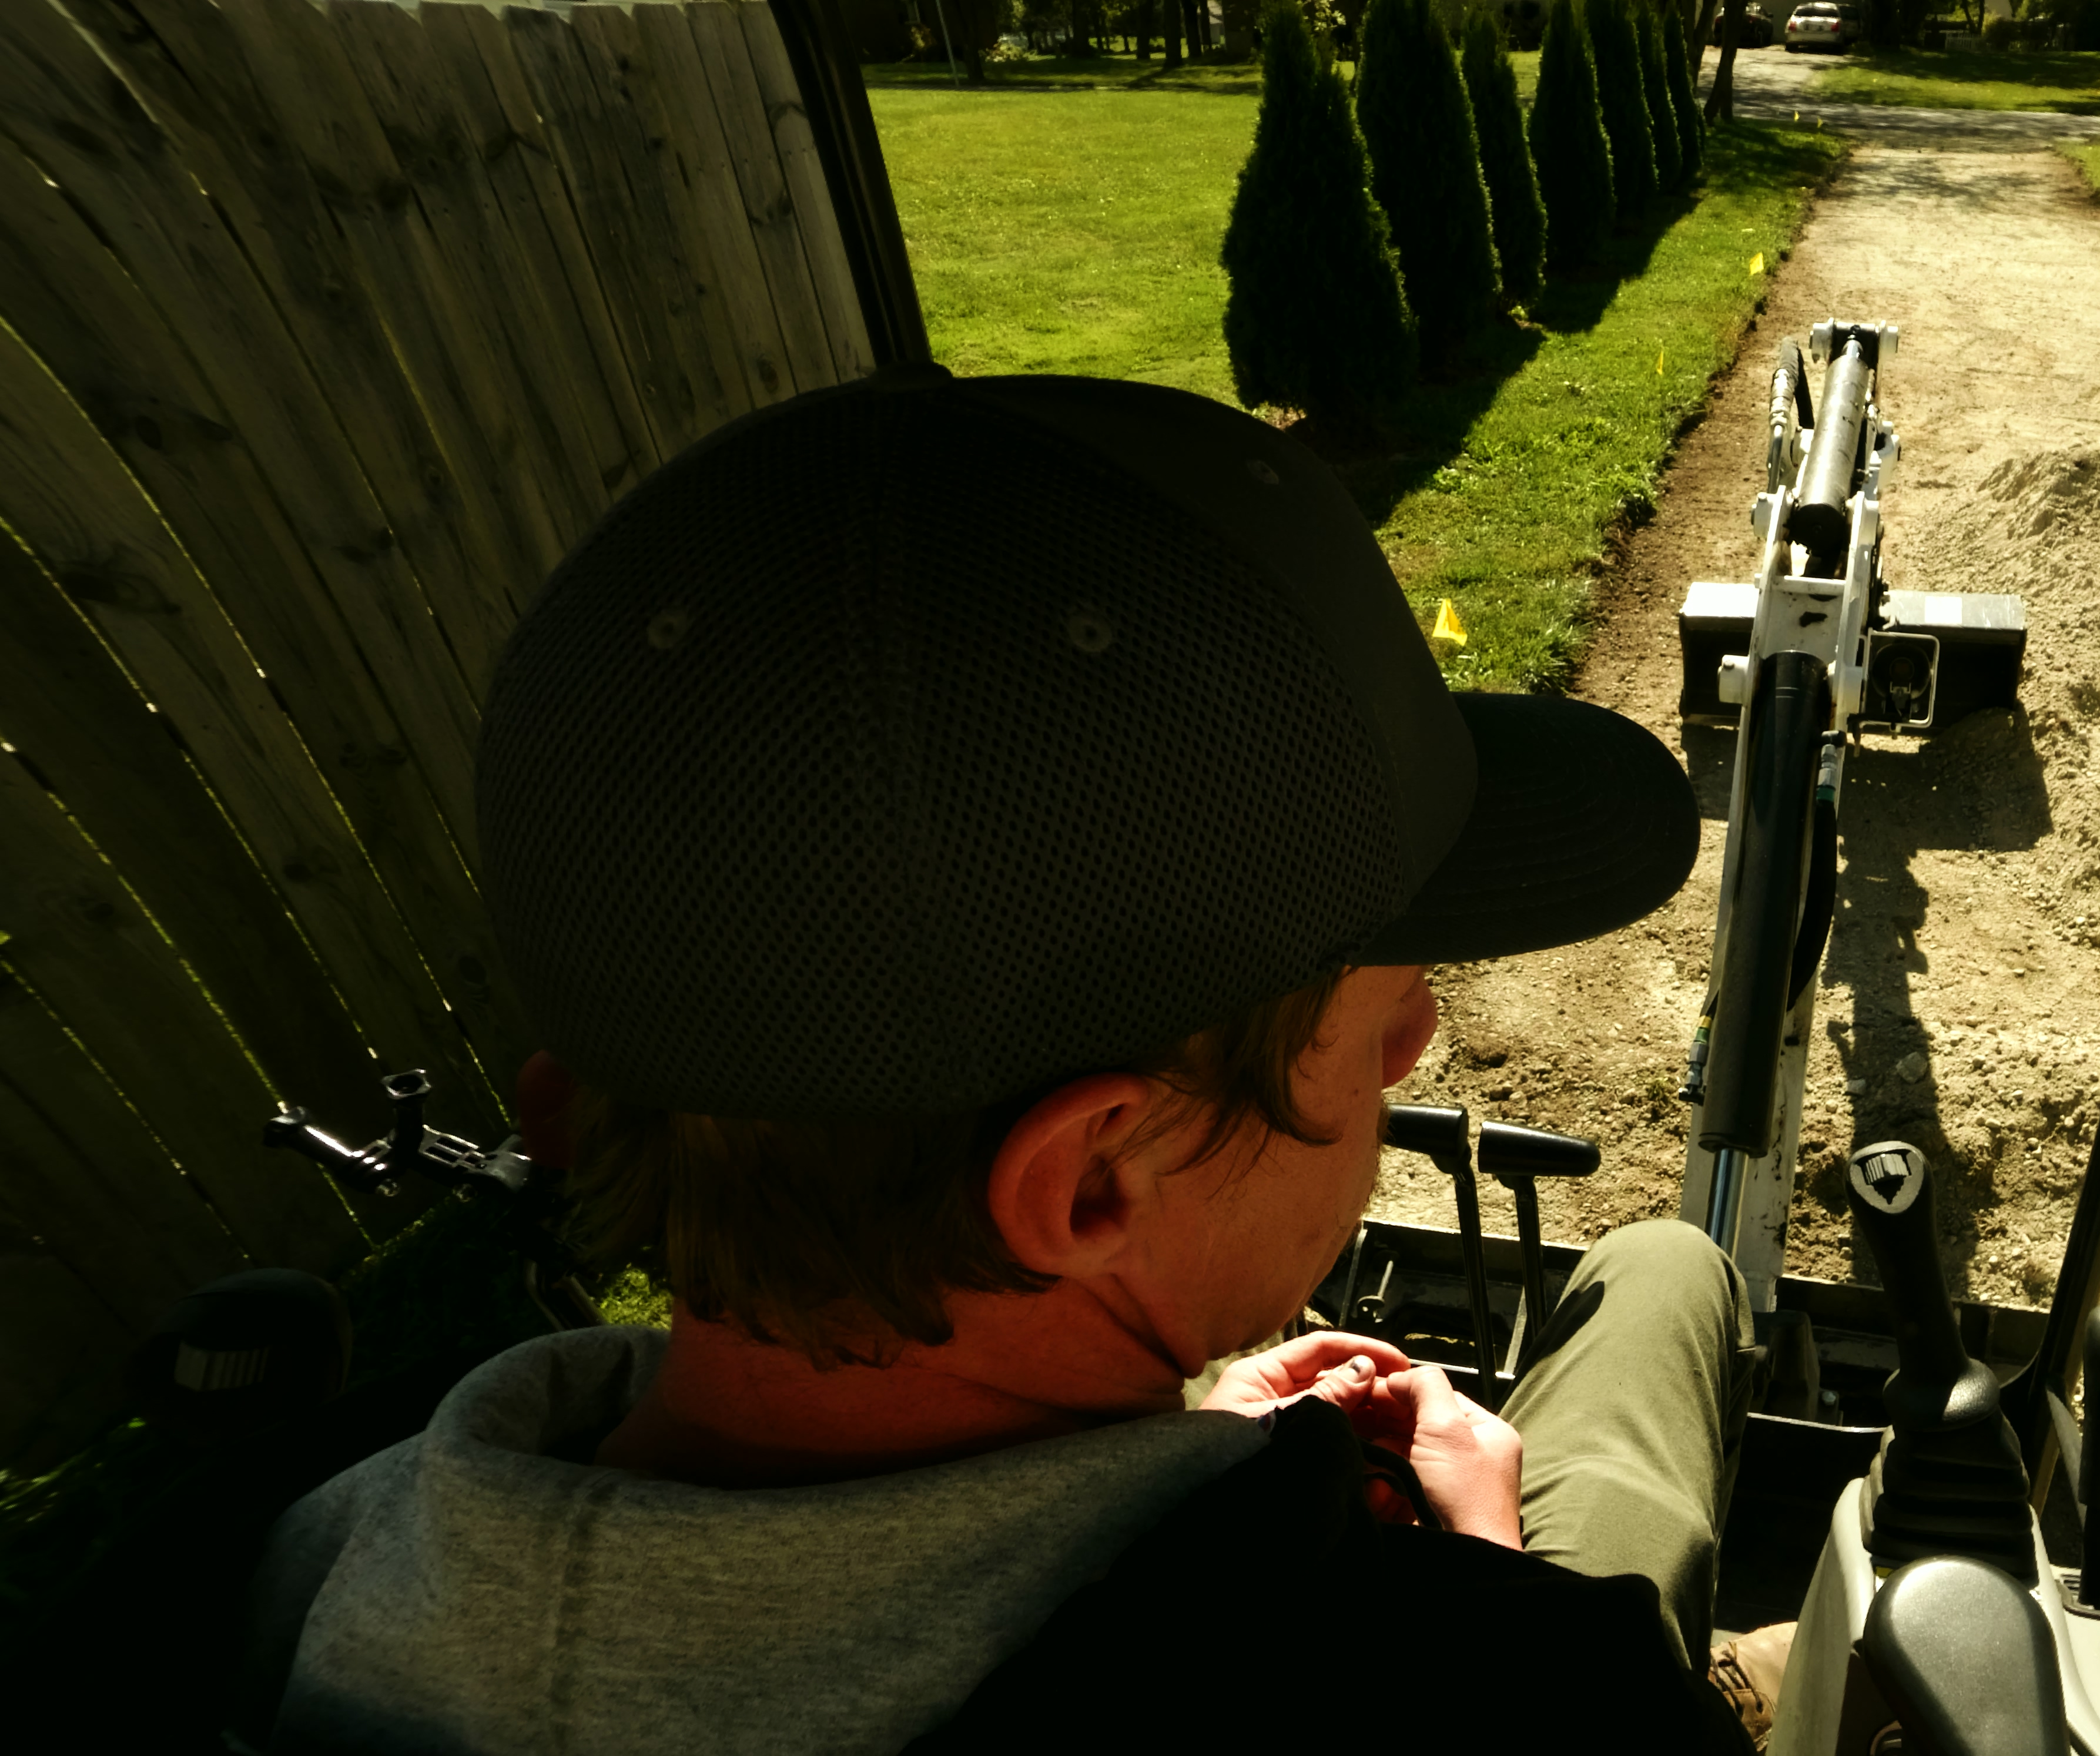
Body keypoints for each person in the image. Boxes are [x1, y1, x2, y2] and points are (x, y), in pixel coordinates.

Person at [229, 370, 1768, 1754]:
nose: (1417, 1030)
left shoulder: (314, 1567)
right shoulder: (1508, 1695)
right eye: (1378, 1003)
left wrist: (1173, 1475)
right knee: (1664, 1275)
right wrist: (1478, 1612)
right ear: (1094, 1175)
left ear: (568, 1103)